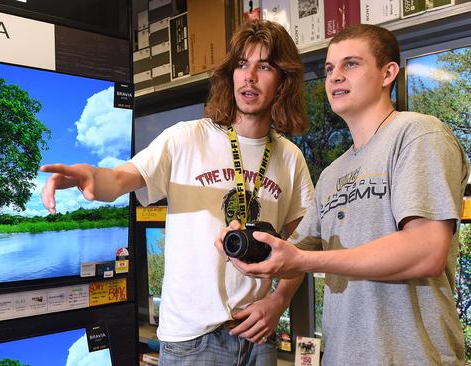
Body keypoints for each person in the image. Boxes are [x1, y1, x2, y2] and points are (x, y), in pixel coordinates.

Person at [40, 20, 314, 365]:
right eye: (242, 65)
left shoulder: (290, 157)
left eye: (265, 66)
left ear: (283, 80)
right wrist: (92, 175)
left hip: (257, 336)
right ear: (230, 74)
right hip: (192, 340)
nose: (250, 77)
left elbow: (303, 245)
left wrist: (278, 302)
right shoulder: (185, 138)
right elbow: (122, 178)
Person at [216, 24, 468, 365]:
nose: (335, 77)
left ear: (387, 73)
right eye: (330, 68)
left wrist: (303, 261)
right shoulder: (332, 175)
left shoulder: (418, 134)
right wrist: (252, 249)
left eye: (350, 64)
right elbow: (294, 253)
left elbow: (425, 251)